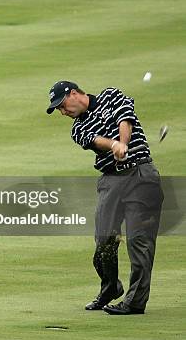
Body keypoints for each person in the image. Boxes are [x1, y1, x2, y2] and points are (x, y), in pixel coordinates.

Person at [46, 81, 163, 315]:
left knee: (139, 242)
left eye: (62, 105)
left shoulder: (111, 95)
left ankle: (135, 302)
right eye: (58, 109)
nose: (62, 112)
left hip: (140, 174)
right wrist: (114, 145)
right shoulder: (77, 129)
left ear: (75, 93)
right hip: (111, 181)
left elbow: (125, 119)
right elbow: (95, 141)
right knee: (104, 242)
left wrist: (124, 142)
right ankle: (110, 287)